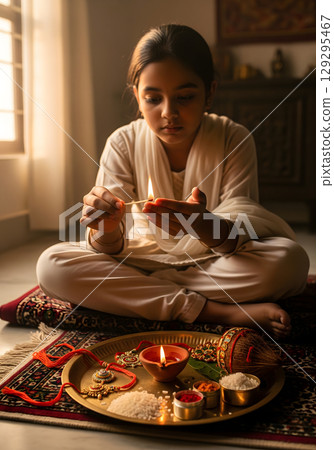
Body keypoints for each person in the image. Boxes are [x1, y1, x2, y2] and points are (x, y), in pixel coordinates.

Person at [37, 24, 309, 338]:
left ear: (210, 93)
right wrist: (107, 227)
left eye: (185, 97)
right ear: (137, 97)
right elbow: (108, 250)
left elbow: (244, 227)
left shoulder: (233, 138)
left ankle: (145, 296)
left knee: (289, 262)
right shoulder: (122, 143)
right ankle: (218, 311)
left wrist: (203, 224)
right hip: (137, 262)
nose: (169, 113)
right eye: (154, 99)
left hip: (211, 264)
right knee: (51, 265)